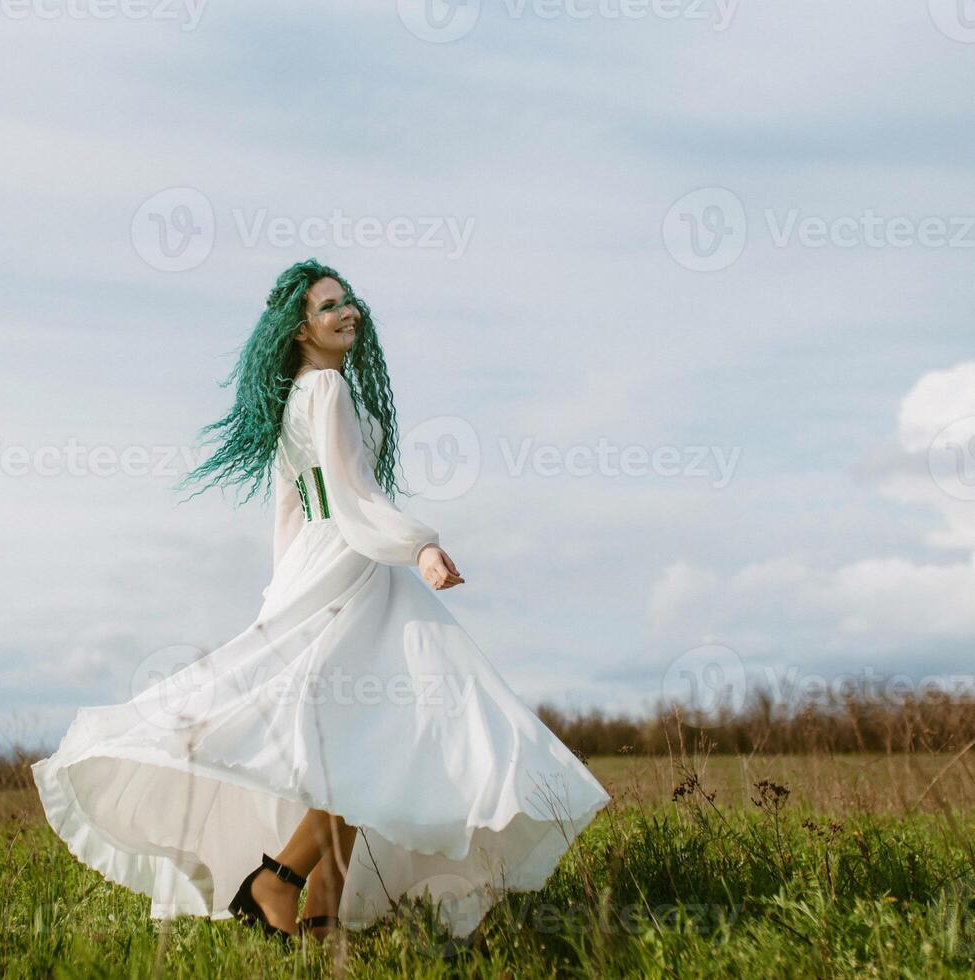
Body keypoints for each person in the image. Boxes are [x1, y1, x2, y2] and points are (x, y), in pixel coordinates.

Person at [30, 258, 610, 944]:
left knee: (365, 737)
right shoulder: (328, 388)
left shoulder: (300, 396)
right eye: (330, 306)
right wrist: (419, 544)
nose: (348, 312)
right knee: (381, 729)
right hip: (354, 564)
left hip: (324, 562)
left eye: (350, 301)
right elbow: (354, 496)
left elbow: (291, 509)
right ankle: (283, 880)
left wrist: (284, 587)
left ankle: (316, 902)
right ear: (300, 329)